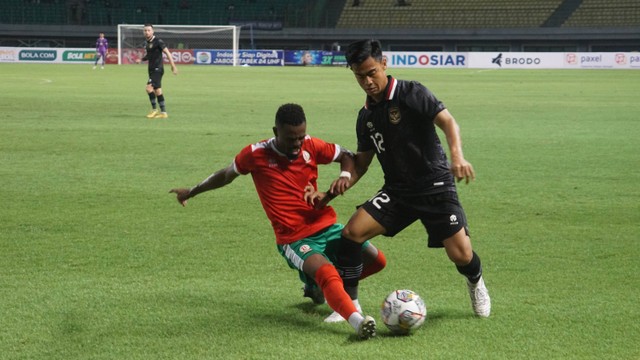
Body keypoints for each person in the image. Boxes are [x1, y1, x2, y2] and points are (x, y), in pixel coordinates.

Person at [169, 103, 384, 339]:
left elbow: (346, 156)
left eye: (301, 137)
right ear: (275, 132)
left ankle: (319, 287)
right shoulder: (255, 154)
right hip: (293, 237)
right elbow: (225, 175)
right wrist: (192, 191)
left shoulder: (311, 145)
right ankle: (357, 321)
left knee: (377, 261)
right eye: (291, 138)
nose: (297, 144)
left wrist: (343, 175)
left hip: (327, 225)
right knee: (327, 274)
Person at [329, 39, 491, 318]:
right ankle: (350, 306)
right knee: (352, 232)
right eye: (359, 75)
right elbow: (362, 163)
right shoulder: (366, 116)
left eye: (371, 73)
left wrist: (457, 157)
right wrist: (339, 184)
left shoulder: (412, 92)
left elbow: (448, 122)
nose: (367, 81)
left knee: (461, 255)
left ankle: (476, 282)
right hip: (398, 191)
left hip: (434, 184)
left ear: (383, 64)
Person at [136, 24, 178, 119]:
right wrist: (141, 59)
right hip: (151, 69)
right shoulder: (146, 43)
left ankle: (154, 110)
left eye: (148, 30)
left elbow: (167, 53)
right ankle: (164, 113)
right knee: (158, 91)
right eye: (145, 30)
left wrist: (173, 66)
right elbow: (149, 56)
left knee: (148, 88)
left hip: (157, 69)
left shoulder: (158, 41)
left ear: (153, 31)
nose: (147, 32)